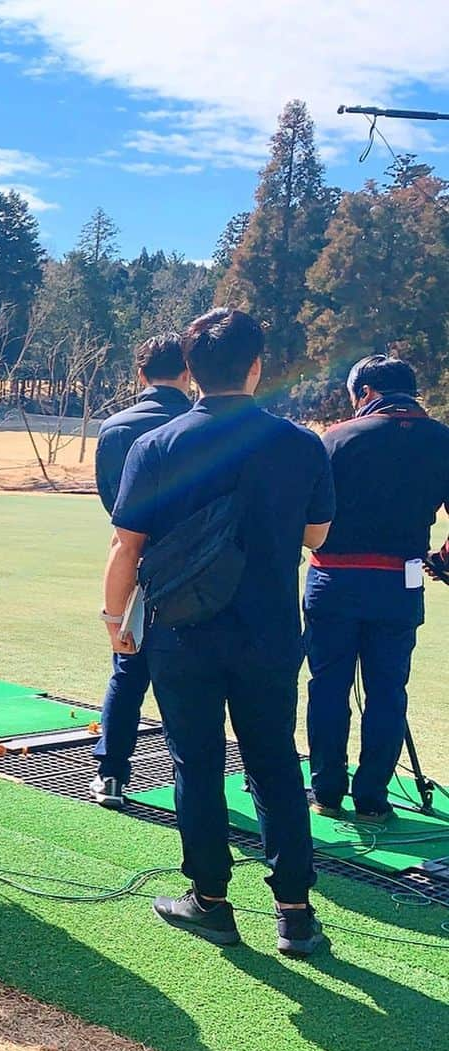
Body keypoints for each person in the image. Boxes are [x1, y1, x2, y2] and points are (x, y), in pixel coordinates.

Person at [104, 308, 334, 956]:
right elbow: (318, 538)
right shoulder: (300, 444)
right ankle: (294, 910)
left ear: (192, 370)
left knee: (195, 762)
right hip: (269, 629)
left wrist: (114, 622)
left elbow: (126, 548)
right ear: (257, 366)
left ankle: (209, 899)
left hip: (181, 630)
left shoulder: (157, 445)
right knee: (275, 764)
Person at [305, 356, 449, 823]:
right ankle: (372, 798)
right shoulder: (442, 441)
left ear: (365, 393)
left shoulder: (336, 439)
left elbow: (307, 517)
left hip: (334, 580)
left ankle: (326, 791)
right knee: (388, 691)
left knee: (329, 688)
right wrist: (442, 561)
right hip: (399, 582)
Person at [91, 333, 191, 807]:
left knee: (128, 667)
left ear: (140, 373)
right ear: (188, 371)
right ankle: (188, 777)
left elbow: (114, 506)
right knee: (190, 675)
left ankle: (111, 774)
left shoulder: (115, 428)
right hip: (196, 567)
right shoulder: (200, 423)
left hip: (137, 561)